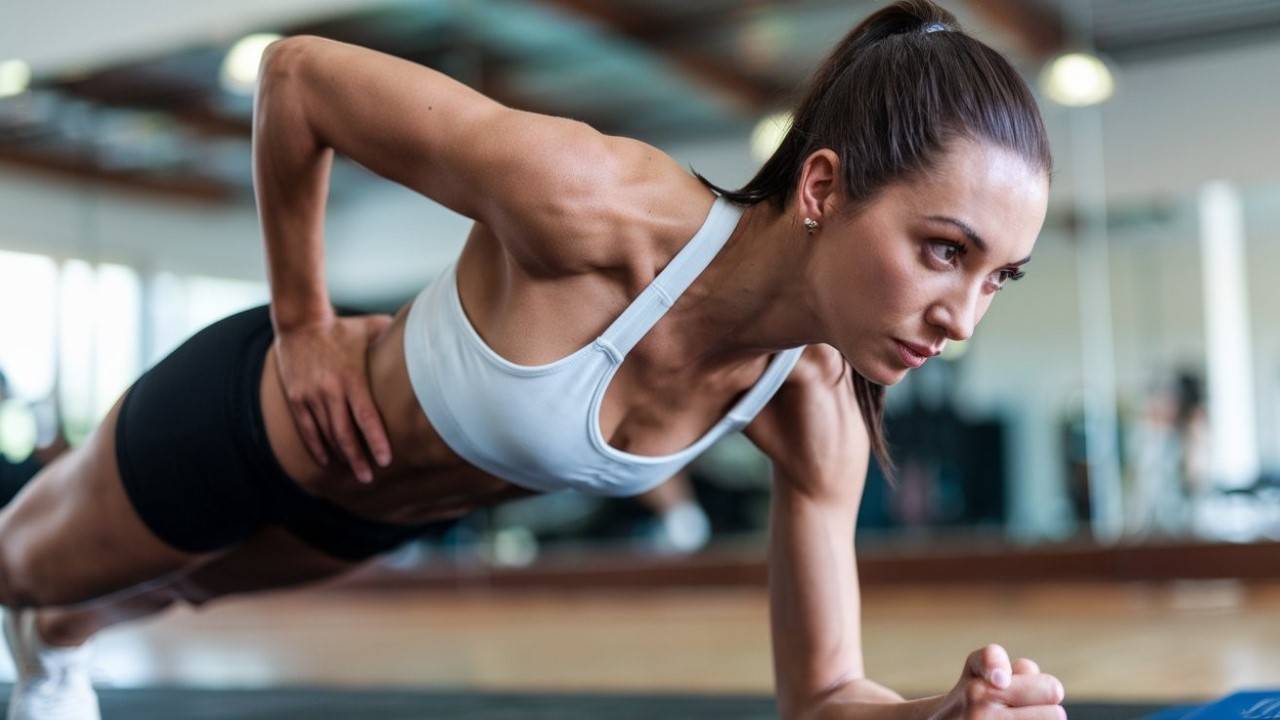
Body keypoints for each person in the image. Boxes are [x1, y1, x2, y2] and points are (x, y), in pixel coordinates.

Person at [0, 2, 1063, 718]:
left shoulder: (813, 409)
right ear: (823, 189)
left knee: (145, 599)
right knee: (14, 568)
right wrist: (302, 322)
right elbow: (298, 78)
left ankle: (52, 645)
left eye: (995, 277)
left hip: (368, 519)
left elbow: (822, 695)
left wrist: (939, 713)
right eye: (943, 251)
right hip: (250, 427)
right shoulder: (593, 202)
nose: (960, 316)